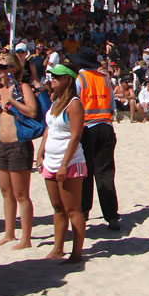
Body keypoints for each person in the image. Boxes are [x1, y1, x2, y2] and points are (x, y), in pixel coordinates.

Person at [0, 52, 37, 249]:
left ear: (14, 69)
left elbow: (32, 111)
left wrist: (12, 100)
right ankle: (9, 233)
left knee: (22, 195)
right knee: (6, 193)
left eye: (3, 67)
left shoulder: (22, 87)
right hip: (2, 145)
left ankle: (26, 238)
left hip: (19, 144)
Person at [36, 64, 87, 263]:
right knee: (57, 207)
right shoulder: (56, 101)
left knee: (72, 209)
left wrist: (64, 164)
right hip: (51, 160)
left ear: (67, 79)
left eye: (57, 76)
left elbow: (75, 137)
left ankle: (77, 253)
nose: (52, 79)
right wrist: (40, 153)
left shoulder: (74, 104)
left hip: (70, 161)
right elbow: (48, 129)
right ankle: (58, 248)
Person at [70, 47, 121, 231]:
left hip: (87, 129)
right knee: (106, 173)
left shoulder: (79, 79)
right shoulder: (105, 79)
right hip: (106, 126)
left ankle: (84, 212)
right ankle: (112, 216)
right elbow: (112, 106)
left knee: (85, 173)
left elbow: (74, 104)